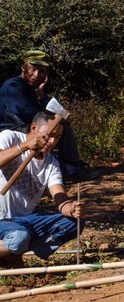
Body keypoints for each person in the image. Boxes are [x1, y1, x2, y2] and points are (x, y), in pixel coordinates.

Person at [0, 110, 85, 267]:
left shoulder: (51, 163)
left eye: (57, 137)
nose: (51, 141)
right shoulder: (9, 137)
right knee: (19, 237)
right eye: (48, 135)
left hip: (23, 221)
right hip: (2, 221)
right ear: (33, 128)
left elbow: (59, 197)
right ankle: (12, 252)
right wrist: (25, 146)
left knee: (73, 223)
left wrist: (71, 208)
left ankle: (14, 251)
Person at [0, 50, 95, 181]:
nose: (37, 75)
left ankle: (68, 166)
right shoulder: (12, 87)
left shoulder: (33, 89)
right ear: (23, 67)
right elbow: (38, 117)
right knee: (57, 124)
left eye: (42, 71)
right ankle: (72, 168)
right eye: (33, 69)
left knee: (59, 123)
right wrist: (56, 117)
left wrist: (42, 95)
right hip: (9, 130)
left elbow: (61, 114)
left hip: (26, 126)